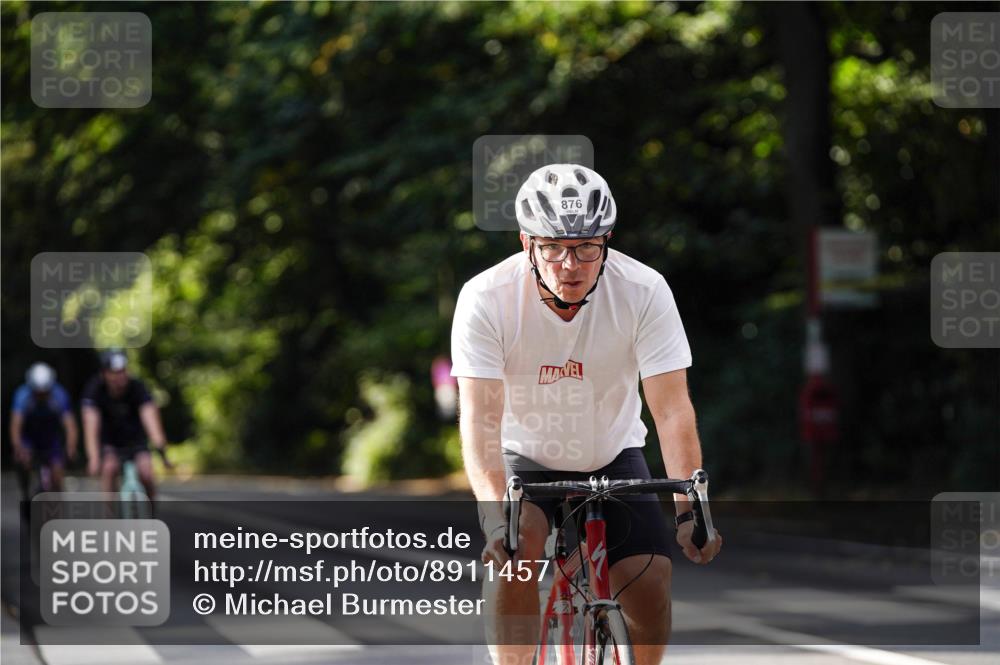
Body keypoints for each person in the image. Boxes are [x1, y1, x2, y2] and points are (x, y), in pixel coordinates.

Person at [451, 164, 723, 665]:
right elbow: (481, 420)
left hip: (612, 450)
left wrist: (690, 510)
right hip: (525, 455)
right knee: (513, 559)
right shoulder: (485, 298)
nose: (569, 264)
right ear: (526, 242)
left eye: (586, 248)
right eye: (552, 247)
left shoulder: (644, 290)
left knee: (650, 576)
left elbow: (671, 409)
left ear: (607, 241)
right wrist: (495, 521)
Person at [82, 350, 168, 500]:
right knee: (109, 470)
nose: (119, 377)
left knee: (146, 474)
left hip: (136, 441)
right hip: (110, 442)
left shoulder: (138, 387)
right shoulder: (94, 390)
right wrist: (94, 458)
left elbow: (150, 419)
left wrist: (161, 449)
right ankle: (110, 521)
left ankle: (151, 516)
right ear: (104, 373)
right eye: (114, 373)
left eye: (122, 372)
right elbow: (90, 426)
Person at [10, 362, 78, 495]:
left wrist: (71, 447)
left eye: (45, 392)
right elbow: (15, 424)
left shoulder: (59, 395)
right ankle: (25, 492)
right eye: (38, 392)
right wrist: (18, 446)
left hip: (51, 439)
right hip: (29, 438)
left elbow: (70, 425)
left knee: (57, 474)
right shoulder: (22, 395)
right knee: (22, 460)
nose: (41, 395)